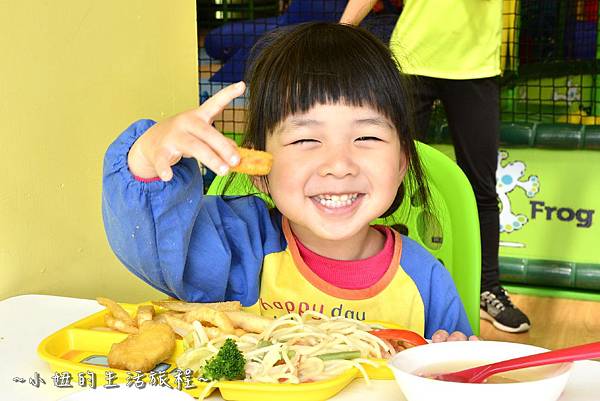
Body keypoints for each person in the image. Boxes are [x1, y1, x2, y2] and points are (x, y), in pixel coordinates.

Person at [102, 22, 476, 341]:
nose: (338, 165)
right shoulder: (238, 247)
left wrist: (454, 361)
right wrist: (148, 160)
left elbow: (460, 369)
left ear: (401, 164)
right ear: (260, 169)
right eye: (305, 140)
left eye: (367, 138)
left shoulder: (426, 280)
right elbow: (153, 247)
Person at [340, 1, 531, 333]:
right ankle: (367, 282)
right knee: (384, 179)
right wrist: (341, 31)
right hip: (413, 58)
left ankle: (487, 288)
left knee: (480, 187)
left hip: (475, 67)